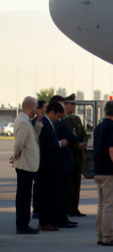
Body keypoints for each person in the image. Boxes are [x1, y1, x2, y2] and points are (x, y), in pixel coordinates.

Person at [94, 100, 113, 246]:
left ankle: (101, 234)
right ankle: (107, 236)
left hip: (98, 170)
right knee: (109, 205)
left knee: (102, 204)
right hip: (108, 171)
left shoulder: (99, 127)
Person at [34, 99, 65, 232]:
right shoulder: (45, 124)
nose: (58, 120)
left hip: (51, 167)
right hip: (46, 167)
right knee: (46, 195)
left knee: (50, 194)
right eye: (58, 116)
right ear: (52, 112)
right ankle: (44, 222)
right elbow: (44, 145)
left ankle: (49, 221)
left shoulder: (49, 124)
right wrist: (59, 144)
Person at [49, 95, 79, 229]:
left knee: (64, 192)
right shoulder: (58, 123)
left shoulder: (60, 122)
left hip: (63, 162)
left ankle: (63, 217)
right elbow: (72, 137)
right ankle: (61, 219)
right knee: (63, 193)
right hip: (62, 163)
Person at [12, 96, 40, 234]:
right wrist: (15, 155)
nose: (37, 109)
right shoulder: (23, 122)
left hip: (27, 164)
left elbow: (33, 137)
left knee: (24, 195)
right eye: (35, 107)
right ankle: (22, 225)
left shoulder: (26, 121)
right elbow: (19, 143)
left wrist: (39, 122)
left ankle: (23, 224)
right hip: (24, 165)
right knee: (24, 197)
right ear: (30, 107)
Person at [62, 94, 88, 218]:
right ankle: (66, 208)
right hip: (69, 155)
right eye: (71, 104)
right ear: (65, 105)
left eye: (74, 104)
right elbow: (66, 137)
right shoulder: (62, 120)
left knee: (77, 184)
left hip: (78, 156)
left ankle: (74, 208)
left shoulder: (77, 119)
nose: (74, 106)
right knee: (68, 185)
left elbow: (83, 133)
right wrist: (77, 145)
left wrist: (83, 143)